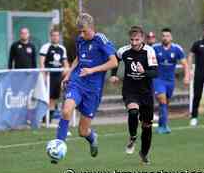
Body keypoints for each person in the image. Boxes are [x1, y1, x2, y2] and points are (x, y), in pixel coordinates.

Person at [52, 13, 118, 164]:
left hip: (93, 90)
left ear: (92, 28)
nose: (81, 34)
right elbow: (78, 58)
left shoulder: (101, 39)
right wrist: (69, 73)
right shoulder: (80, 40)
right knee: (66, 110)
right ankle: (58, 147)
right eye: (79, 31)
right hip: (77, 82)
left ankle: (92, 138)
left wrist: (92, 70)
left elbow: (114, 62)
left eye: (84, 31)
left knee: (82, 131)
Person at [110, 26, 158, 164]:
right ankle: (132, 137)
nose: (134, 42)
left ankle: (144, 153)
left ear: (142, 39)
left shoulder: (149, 51)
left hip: (146, 93)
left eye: (137, 39)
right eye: (132, 39)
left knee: (147, 126)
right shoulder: (124, 51)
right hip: (130, 90)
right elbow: (115, 59)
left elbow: (155, 73)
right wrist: (113, 75)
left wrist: (144, 71)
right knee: (133, 112)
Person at [152, 28, 190, 134]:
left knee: (165, 103)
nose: (165, 38)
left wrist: (187, 76)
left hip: (170, 81)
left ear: (171, 37)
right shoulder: (155, 48)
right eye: (163, 36)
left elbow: (185, 64)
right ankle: (163, 126)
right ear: (161, 37)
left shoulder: (177, 49)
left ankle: (161, 123)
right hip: (158, 79)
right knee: (162, 100)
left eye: (167, 36)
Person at [39, 28, 69, 123]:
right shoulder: (46, 47)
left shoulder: (62, 48)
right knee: (46, 96)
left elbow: (65, 63)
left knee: (54, 97)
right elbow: (42, 62)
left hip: (58, 76)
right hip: (48, 76)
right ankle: (43, 116)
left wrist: (66, 72)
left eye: (57, 35)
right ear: (50, 36)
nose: (55, 37)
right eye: (53, 35)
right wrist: (43, 75)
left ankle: (49, 118)